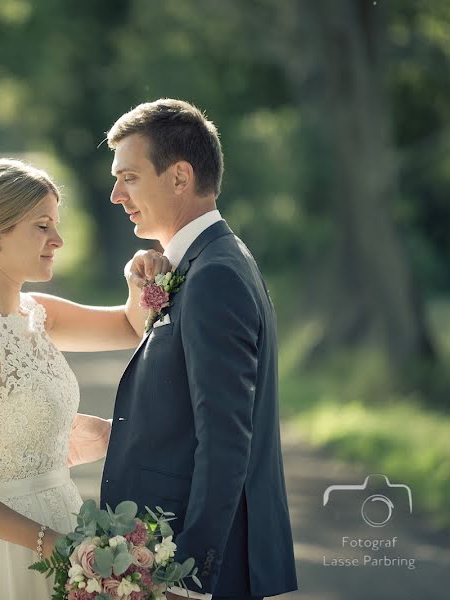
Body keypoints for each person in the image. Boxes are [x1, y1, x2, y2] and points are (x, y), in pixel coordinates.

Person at [0, 158, 169, 599]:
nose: (59, 240)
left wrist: (137, 281)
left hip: (63, 521)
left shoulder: (33, 313)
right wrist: (52, 544)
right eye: (43, 226)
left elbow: (129, 327)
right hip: (3, 548)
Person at [99, 99, 298, 600]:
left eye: (130, 177)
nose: (116, 195)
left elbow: (227, 438)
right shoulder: (206, 262)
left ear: (180, 177)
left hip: (207, 565)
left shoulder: (215, 276)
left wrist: (192, 572)